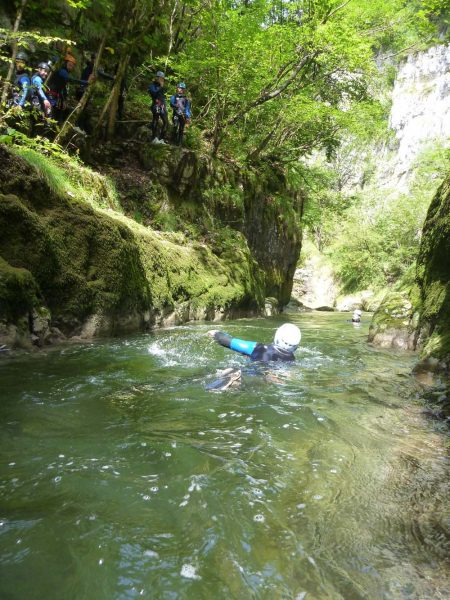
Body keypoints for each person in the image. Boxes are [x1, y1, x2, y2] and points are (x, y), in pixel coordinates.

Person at [207, 323, 301, 363]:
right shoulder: (292, 359)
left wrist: (215, 333)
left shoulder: (260, 348)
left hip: (251, 374)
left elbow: (228, 341)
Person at [47, 53, 91, 121]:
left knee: (61, 112)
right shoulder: (62, 71)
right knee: (53, 113)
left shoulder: (64, 72)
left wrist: (63, 100)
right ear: (65, 63)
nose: (71, 67)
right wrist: (86, 82)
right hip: (51, 95)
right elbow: (70, 80)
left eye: (73, 65)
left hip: (56, 96)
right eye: (70, 64)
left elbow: (63, 88)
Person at [148, 70, 168, 143]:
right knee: (155, 120)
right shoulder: (152, 85)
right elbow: (154, 93)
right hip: (156, 104)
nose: (162, 80)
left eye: (162, 79)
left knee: (166, 122)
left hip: (162, 105)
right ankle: (153, 138)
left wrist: (161, 87)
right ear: (157, 78)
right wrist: (160, 87)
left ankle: (161, 139)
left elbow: (162, 97)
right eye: (160, 78)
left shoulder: (162, 87)